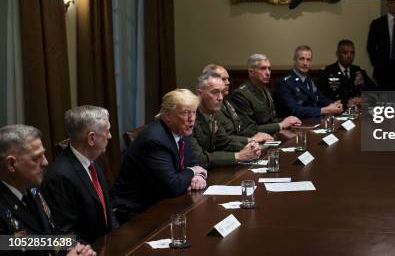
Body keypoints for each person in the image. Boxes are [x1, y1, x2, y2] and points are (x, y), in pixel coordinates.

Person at [111, 89, 207, 223]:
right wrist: (193, 171)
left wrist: (199, 176)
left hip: (163, 203)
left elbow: (197, 162)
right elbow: (172, 186)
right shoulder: (155, 140)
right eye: (185, 113)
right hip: (137, 213)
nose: (192, 119)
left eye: (194, 112)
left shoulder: (181, 131)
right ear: (167, 116)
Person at [0, 125, 96, 256]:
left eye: (43, 154)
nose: (45, 162)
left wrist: (77, 249)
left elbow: (50, 237)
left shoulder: (32, 189)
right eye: (36, 158)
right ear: (11, 164)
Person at [42, 106, 117, 244]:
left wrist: (118, 237)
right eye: (107, 131)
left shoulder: (93, 160)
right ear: (91, 138)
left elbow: (107, 210)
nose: (110, 136)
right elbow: (65, 234)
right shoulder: (60, 177)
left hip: (108, 243)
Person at [190, 71, 261, 168]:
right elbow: (199, 159)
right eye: (215, 92)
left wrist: (250, 149)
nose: (220, 98)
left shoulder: (211, 113)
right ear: (199, 93)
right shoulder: (190, 117)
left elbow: (225, 143)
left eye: (222, 92)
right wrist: (239, 156)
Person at [202, 64, 273, 144]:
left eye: (228, 79)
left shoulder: (226, 102)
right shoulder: (211, 106)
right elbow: (222, 139)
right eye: (223, 79)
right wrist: (251, 140)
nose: (228, 82)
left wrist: (256, 136)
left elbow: (240, 128)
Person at [231, 54, 302, 134]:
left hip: (269, 136)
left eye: (269, 69)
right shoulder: (241, 94)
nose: (268, 73)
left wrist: (289, 120)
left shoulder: (264, 89)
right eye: (263, 69)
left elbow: (270, 120)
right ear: (251, 72)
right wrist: (281, 125)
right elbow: (248, 129)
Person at [275, 45, 343, 118]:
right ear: (295, 60)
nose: (305, 63)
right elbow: (295, 110)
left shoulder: (308, 78)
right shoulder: (285, 82)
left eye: (308, 60)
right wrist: (325, 110)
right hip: (295, 125)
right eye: (301, 59)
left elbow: (320, 98)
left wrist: (335, 104)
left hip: (312, 121)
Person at [317, 39, 376, 107]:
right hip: (337, 111)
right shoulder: (326, 72)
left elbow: (375, 91)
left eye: (352, 53)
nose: (349, 56)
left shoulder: (359, 71)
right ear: (337, 54)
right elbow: (321, 98)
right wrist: (347, 102)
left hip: (359, 111)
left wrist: (363, 99)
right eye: (345, 53)